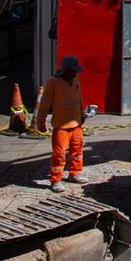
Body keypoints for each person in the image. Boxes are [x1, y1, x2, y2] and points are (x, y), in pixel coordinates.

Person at [36, 56, 89, 192]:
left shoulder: (76, 79)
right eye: (73, 70)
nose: (75, 72)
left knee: (77, 151)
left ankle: (75, 173)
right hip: (61, 126)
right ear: (66, 70)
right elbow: (44, 104)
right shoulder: (53, 82)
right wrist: (40, 122)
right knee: (59, 154)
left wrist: (82, 114)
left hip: (76, 123)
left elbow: (79, 98)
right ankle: (56, 180)